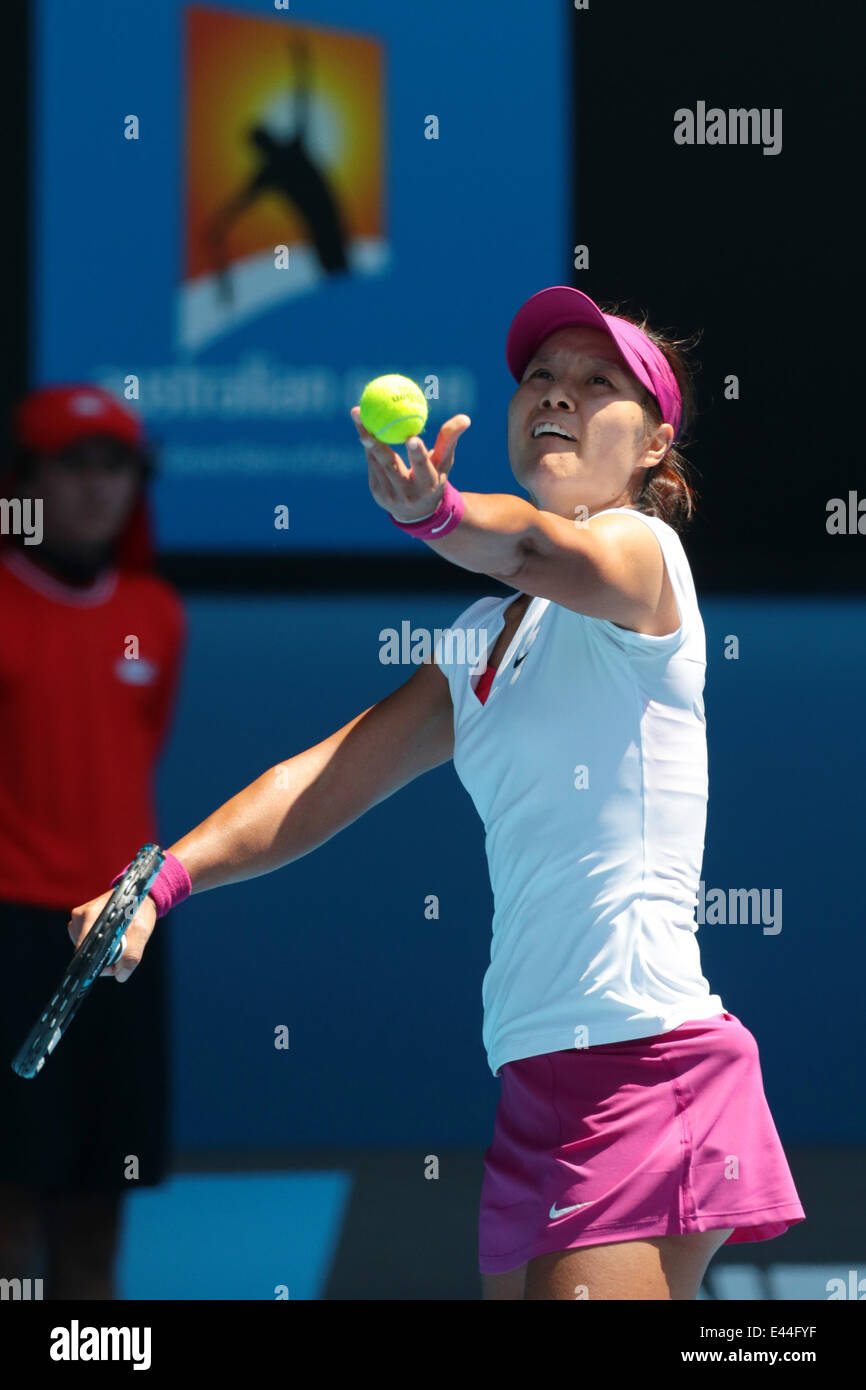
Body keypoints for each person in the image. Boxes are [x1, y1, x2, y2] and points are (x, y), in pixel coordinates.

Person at [68, 287, 805, 1301]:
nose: (557, 394)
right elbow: (325, 777)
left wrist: (434, 512)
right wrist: (165, 879)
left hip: (643, 1064)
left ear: (652, 447)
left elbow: (533, 544)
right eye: (539, 376)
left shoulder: (642, 555)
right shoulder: (478, 643)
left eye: (598, 384)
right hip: (535, 1083)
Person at [0, 385, 185, 1299]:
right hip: (8, 938)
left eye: (115, 467)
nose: (96, 488)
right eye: (71, 466)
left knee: (97, 1205)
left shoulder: (157, 613)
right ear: (25, 482)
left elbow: (135, 744)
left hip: (120, 935)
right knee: (8, 1207)